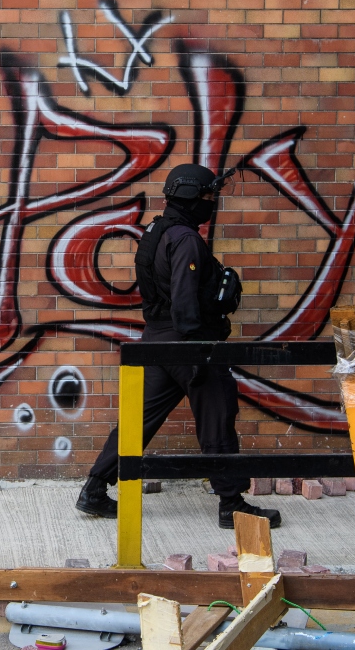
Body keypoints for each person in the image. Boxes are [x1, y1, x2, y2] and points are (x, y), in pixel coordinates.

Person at [77, 163, 281, 530]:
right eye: (207, 195)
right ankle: (231, 505)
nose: (211, 202)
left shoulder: (155, 230)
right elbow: (185, 303)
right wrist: (196, 352)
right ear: (189, 195)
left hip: (157, 342)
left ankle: (94, 489)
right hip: (186, 343)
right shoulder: (185, 239)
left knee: (139, 420)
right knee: (218, 414)